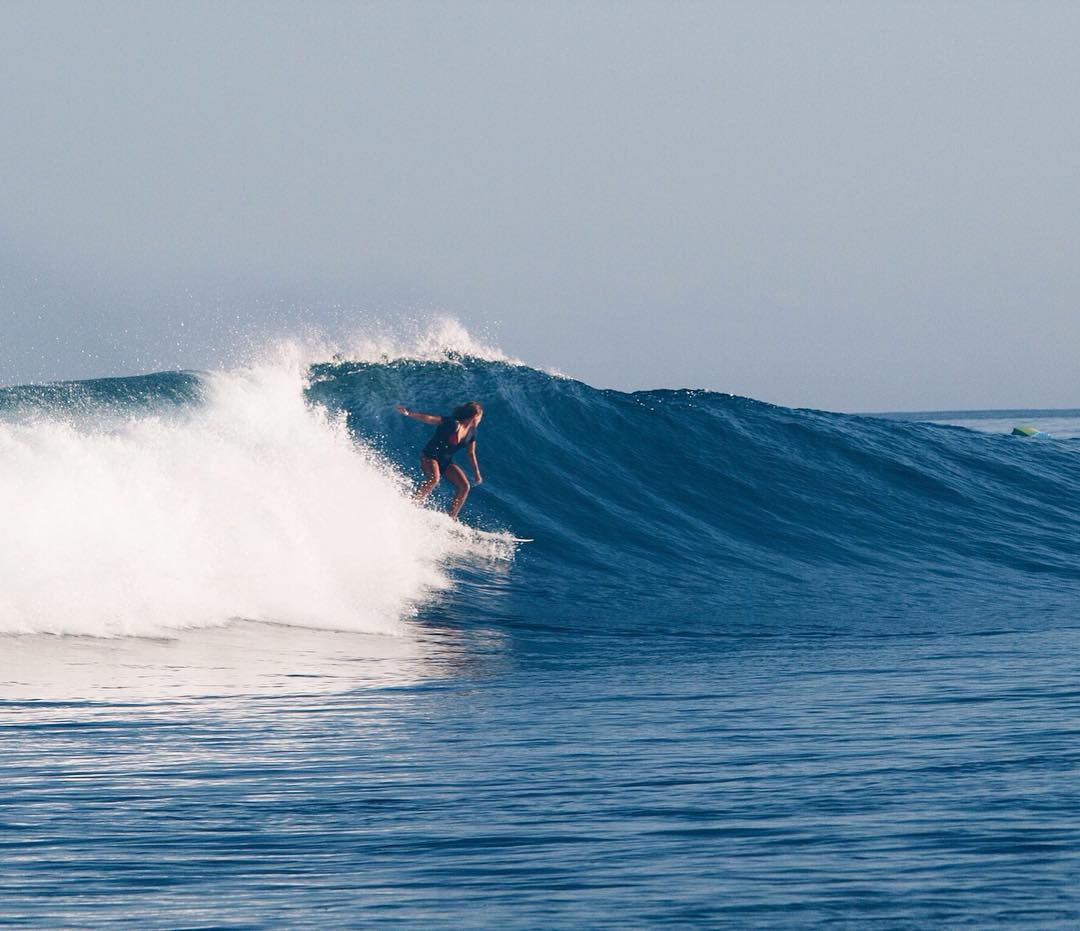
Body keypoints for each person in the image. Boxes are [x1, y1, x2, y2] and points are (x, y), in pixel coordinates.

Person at [395, 400, 483, 518]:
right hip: (429, 456)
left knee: (464, 486)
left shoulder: (471, 432)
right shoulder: (453, 423)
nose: (479, 420)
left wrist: (476, 473)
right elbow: (431, 419)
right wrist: (409, 413)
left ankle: (451, 517)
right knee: (434, 479)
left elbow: (471, 453)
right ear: (474, 417)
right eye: (479, 417)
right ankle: (413, 503)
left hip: (446, 462)